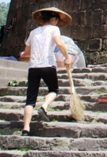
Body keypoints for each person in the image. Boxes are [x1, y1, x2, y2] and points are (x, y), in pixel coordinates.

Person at [19, 7, 72, 136]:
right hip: (48, 65)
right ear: (53, 19)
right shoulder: (54, 29)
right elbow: (59, 43)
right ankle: (44, 107)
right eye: (57, 20)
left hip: (33, 67)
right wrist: (67, 57)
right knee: (54, 90)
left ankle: (26, 128)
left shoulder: (33, 32)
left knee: (30, 99)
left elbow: (27, 52)